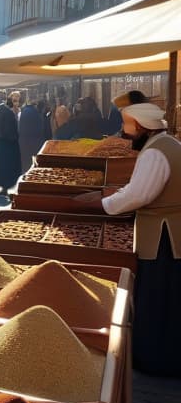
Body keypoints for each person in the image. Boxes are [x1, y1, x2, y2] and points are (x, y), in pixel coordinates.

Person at [74, 92, 180, 376]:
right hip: (168, 233)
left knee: (158, 296)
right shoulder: (166, 143)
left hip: (164, 237)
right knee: (167, 296)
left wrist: (103, 203)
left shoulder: (157, 151)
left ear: (143, 127)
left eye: (130, 128)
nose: (127, 134)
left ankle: (155, 359)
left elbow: (139, 194)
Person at [0, 91, 22, 196]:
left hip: (0, 144)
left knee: (3, 167)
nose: (16, 103)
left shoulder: (0, 109)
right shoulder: (6, 112)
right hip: (5, 145)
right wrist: (14, 138)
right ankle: (5, 188)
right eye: (15, 100)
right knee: (7, 167)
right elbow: (9, 131)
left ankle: (5, 187)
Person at [18, 99, 45, 172]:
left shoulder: (24, 111)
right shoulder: (35, 113)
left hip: (23, 141)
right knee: (34, 163)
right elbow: (40, 128)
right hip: (33, 141)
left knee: (25, 164)